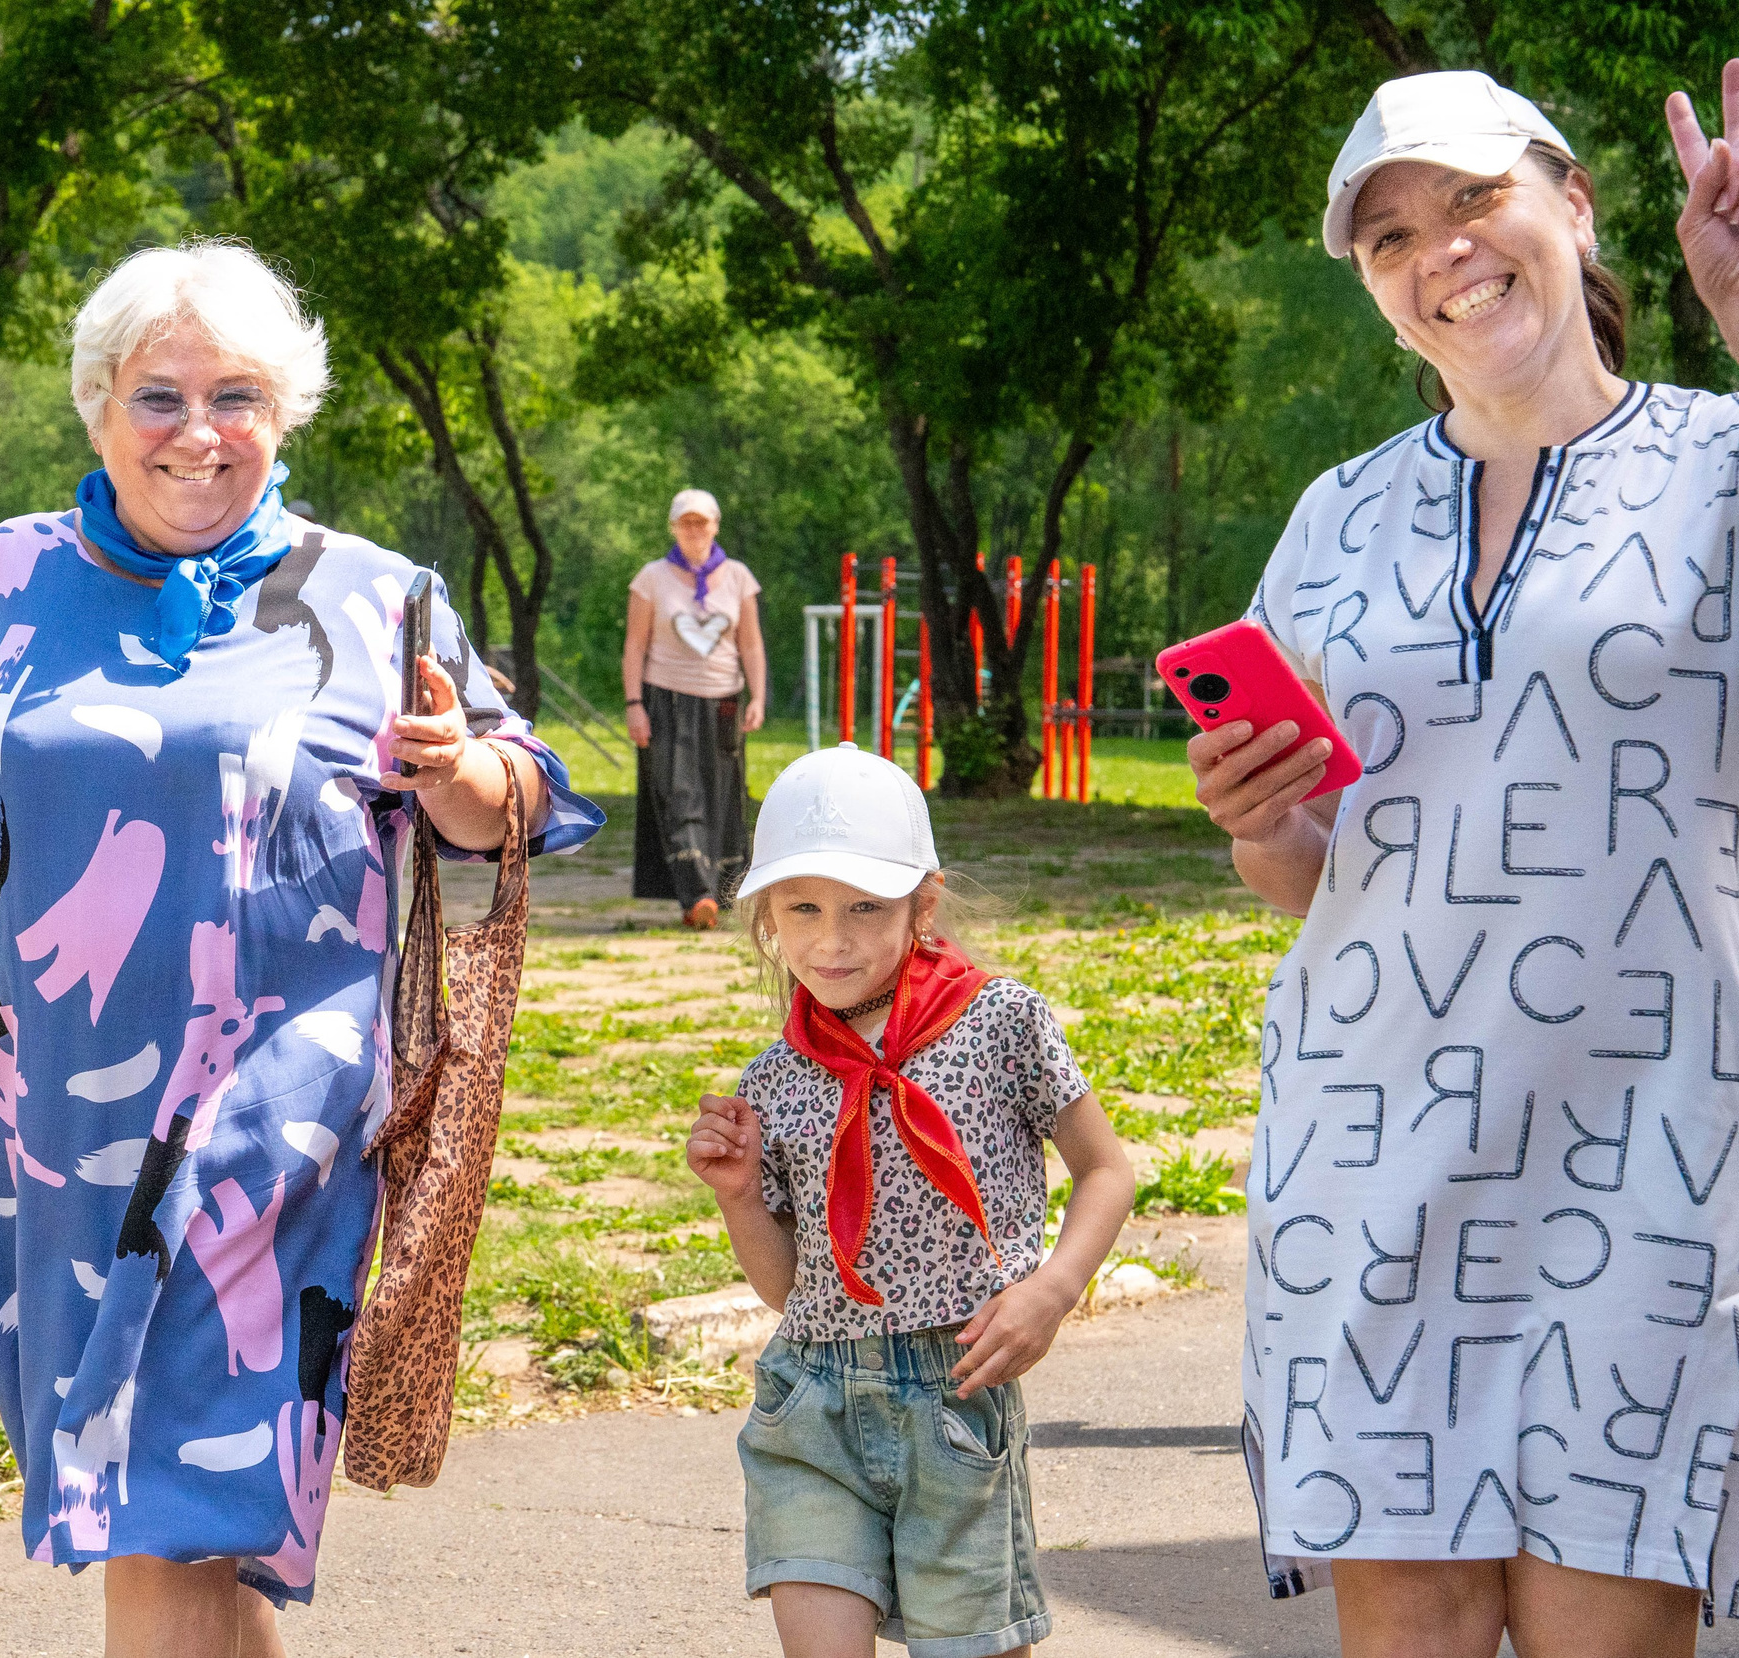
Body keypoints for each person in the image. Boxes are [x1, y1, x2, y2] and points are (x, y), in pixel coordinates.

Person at [0, 239, 601, 1658]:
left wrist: (457, 770)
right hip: (46, 1140)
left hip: (275, 1127)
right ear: (97, 407)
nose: (198, 432)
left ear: (284, 413)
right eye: (159, 397)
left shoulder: (371, 594)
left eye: (236, 394)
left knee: (151, 1501)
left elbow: (523, 797)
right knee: (201, 1528)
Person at [1185, 65, 1739, 1658]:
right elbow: (1314, 876)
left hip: (1651, 1158)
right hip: (1370, 1160)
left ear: (1572, 203)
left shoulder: (1718, 461)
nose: (1443, 251)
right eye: (1391, 237)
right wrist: (1260, 822)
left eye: (1475, 198)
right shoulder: (1334, 519)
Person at [687, 746, 1134, 1658]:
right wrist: (739, 1196)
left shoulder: (1001, 1021)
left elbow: (1107, 1170)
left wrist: (1053, 1288)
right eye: (801, 908)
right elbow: (788, 1291)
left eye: (865, 908)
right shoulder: (774, 1078)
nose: (832, 938)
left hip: (957, 1398)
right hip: (810, 1404)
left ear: (922, 907)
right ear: (766, 917)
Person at [626, 487, 767, 929]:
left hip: (724, 699)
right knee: (678, 793)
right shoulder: (651, 578)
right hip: (665, 698)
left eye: (701, 521)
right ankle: (697, 896)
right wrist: (634, 704)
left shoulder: (739, 577)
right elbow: (634, 646)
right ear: (673, 527)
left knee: (723, 796)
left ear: (715, 526)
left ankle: (724, 892)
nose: (694, 530)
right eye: (686, 522)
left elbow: (751, 643)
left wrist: (759, 696)